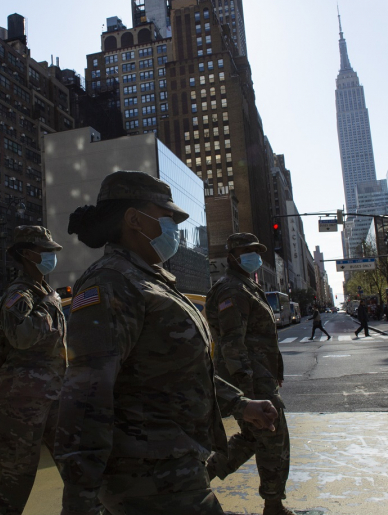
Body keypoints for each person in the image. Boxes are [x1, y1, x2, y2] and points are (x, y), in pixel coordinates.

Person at [54, 171, 278, 515]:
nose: (174, 227)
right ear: (134, 220)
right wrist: (79, 502)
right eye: (168, 217)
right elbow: (85, 397)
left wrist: (240, 404)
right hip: (148, 476)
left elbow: (179, 368)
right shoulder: (111, 283)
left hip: (176, 464)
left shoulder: (149, 279)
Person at [205, 233, 296, 515]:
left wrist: (273, 372)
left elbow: (262, 338)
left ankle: (194, 480)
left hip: (259, 374)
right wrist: (247, 392)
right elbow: (232, 343)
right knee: (272, 434)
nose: (253, 256)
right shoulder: (232, 289)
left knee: (250, 438)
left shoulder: (246, 286)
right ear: (231, 255)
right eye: (246, 250)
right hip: (249, 378)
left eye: (256, 250)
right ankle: (273, 504)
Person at [0, 226, 67, 515]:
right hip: (20, 401)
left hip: (52, 396)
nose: (51, 256)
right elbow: (20, 337)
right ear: (26, 254)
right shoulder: (19, 294)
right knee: (11, 483)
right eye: (45, 251)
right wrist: (48, 307)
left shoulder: (44, 291)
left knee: (82, 468)